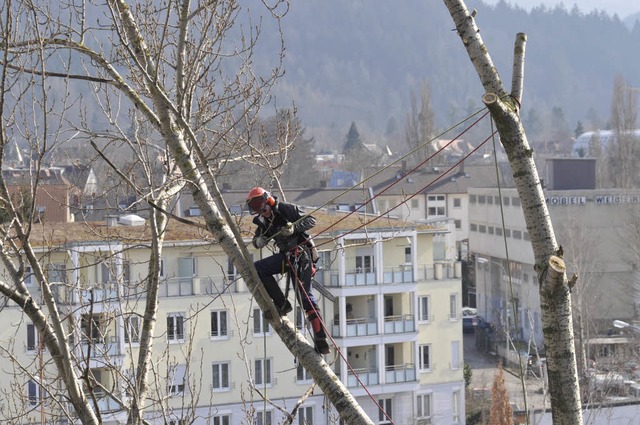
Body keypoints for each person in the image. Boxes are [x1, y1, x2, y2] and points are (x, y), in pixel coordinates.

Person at [246, 187, 330, 354]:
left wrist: (294, 228)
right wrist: (258, 241)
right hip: (286, 258)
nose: (264, 213)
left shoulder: (286, 209)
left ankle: (321, 339)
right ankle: (281, 303)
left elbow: (311, 220)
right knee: (259, 269)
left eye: (264, 209)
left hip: (302, 255)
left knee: (304, 296)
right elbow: (256, 239)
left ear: (269, 201)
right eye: (259, 211)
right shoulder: (263, 221)